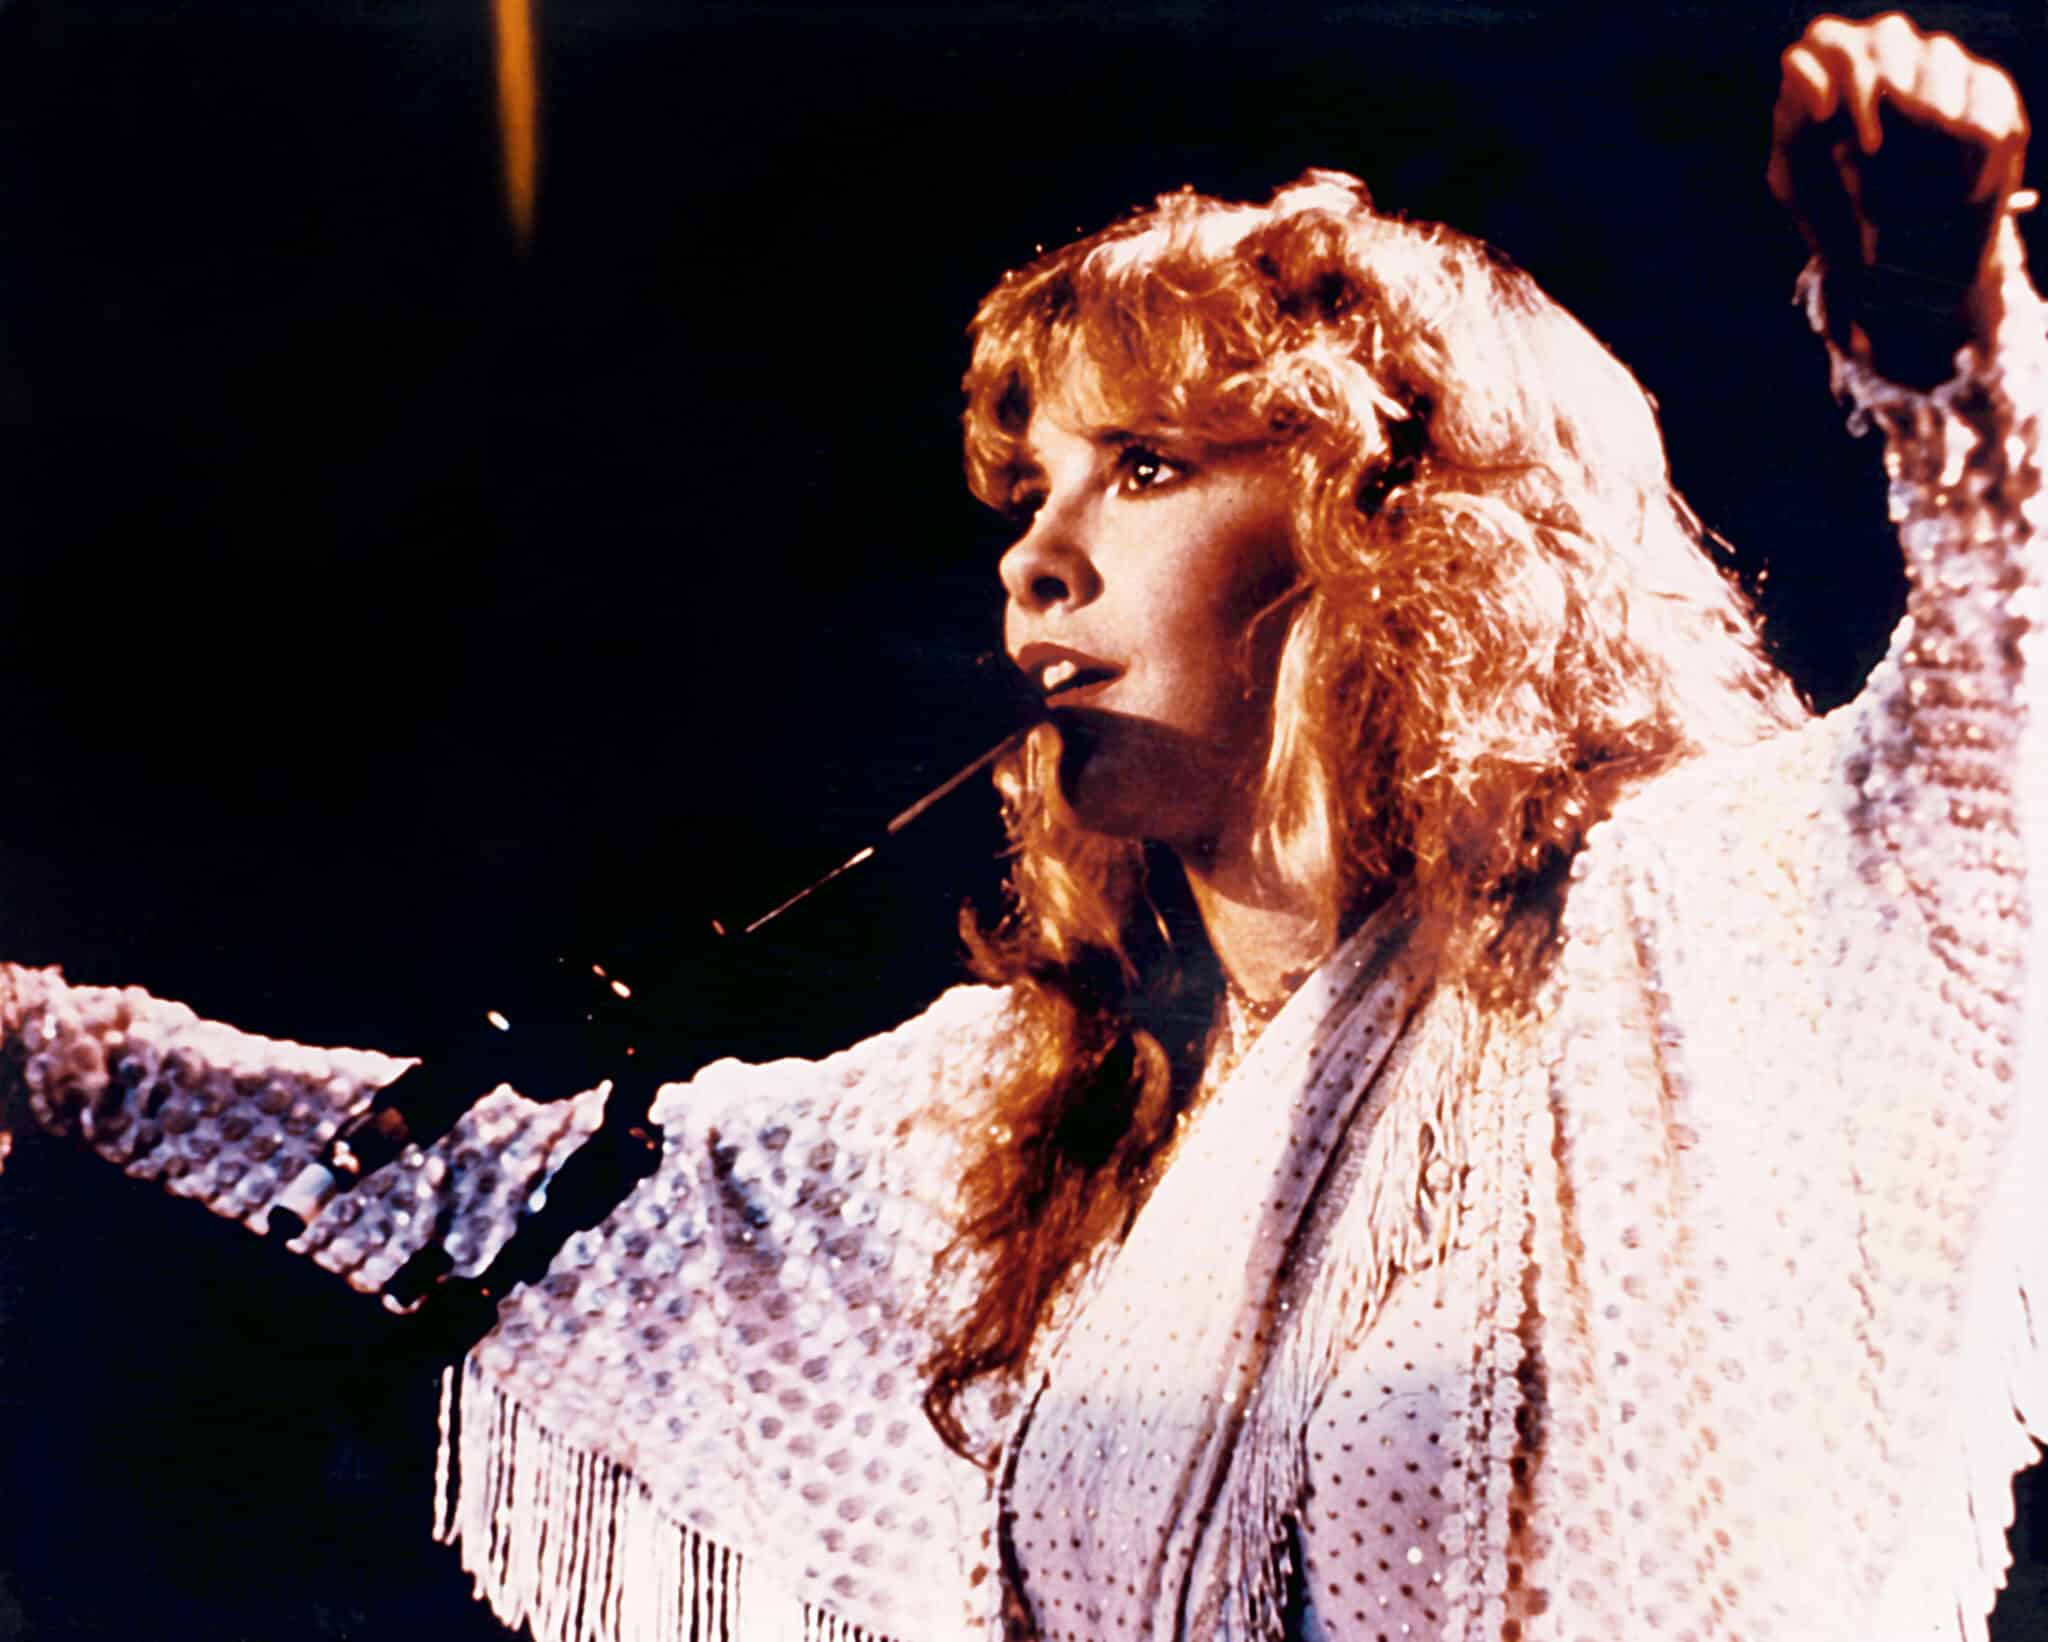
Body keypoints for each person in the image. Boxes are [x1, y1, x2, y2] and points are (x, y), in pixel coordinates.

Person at [2, 10, 2042, 1640]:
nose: (1033, 564)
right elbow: (484, 1181)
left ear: (1381, 525)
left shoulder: (1662, 941)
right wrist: (56, 1046)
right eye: (1026, 494)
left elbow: (1986, 750)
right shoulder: (1039, 1097)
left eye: (1142, 466)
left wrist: (1947, 362)